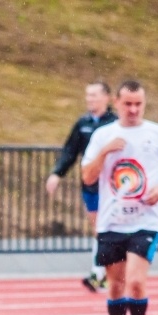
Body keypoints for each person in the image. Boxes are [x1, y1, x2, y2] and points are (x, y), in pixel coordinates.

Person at [81, 80, 158, 315]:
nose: (133, 109)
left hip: (145, 221)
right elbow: (88, 177)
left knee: (135, 281)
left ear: (143, 104)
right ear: (116, 103)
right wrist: (105, 152)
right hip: (111, 221)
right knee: (116, 286)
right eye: (127, 103)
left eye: (138, 104)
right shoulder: (102, 135)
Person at [45, 81, 118, 292]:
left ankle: (99, 272)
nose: (90, 99)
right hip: (91, 184)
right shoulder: (83, 123)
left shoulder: (115, 123)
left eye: (94, 95)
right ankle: (101, 272)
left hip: (114, 186)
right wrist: (56, 174)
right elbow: (70, 151)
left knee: (108, 228)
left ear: (107, 97)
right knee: (97, 229)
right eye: (87, 95)